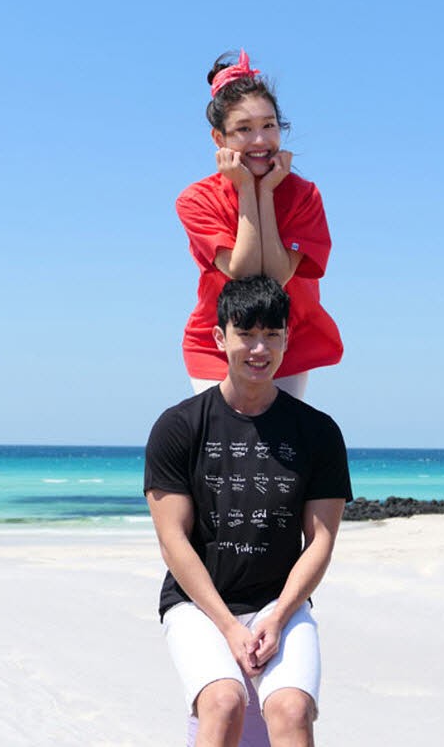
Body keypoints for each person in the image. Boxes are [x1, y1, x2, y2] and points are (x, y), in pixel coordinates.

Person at [144, 276, 353, 747]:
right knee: (224, 702)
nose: (259, 349)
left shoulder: (318, 433)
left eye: (272, 335)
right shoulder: (179, 426)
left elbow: (320, 541)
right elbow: (172, 541)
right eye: (246, 334)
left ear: (286, 340)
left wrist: (277, 618)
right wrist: (226, 625)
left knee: (292, 709)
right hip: (197, 604)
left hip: (280, 602)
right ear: (221, 338)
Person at [176, 49, 343, 401]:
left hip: (285, 339)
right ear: (219, 139)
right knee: (221, 433)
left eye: (269, 125)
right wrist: (245, 190)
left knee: (278, 435)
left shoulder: (303, 196)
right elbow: (245, 273)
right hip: (218, 341)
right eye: (243, 129)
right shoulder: (196, 200)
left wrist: (264, 191)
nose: (259, 141)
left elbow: (276, 278)